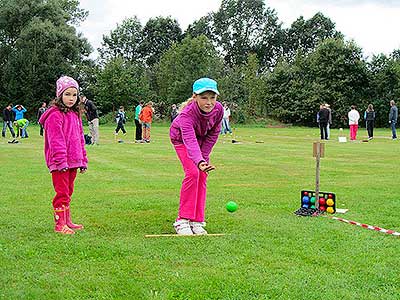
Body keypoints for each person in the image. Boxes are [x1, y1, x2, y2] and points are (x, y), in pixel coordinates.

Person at [169, 77, 223, 235]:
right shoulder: (186, 115)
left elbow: (213, 134)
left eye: (212, 97)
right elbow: (190, 140)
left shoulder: (218, 109)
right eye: (204, 97)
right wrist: (198, 161)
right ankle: (182, 220)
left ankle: (197, 220)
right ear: (195, 97)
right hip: (181, 140)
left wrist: (204, 160)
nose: (209, 102)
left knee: (202, 174)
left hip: (201, 140)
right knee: (193, 173)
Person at [39, 76, 88, 235]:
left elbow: (80, 138)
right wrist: (60, 161)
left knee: (69, 191)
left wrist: (83, 160)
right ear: (60, 95)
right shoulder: (54, 115)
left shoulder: (75, 114)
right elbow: (56, 140)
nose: (71, 98)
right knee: (62, 192)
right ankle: (60, 224)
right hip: (60, 162)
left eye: (74, 95)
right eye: (67, 94)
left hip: (74, 161)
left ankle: (67, 221)